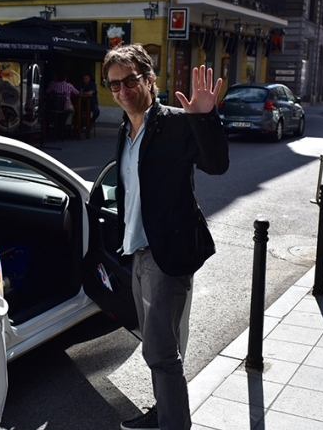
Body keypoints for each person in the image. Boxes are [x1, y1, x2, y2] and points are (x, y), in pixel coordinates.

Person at [103, 44, 228, 430]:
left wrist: (205, 118)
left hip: (167, 252)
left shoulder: (175, 122)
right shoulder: (125, 131)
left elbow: (217, 164)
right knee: (158, 346)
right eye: (113, 84)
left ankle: (173, 424)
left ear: (149, 79)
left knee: (159, 350)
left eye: (130, 81)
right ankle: (164, 411)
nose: (122, 90)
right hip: (138, 250)